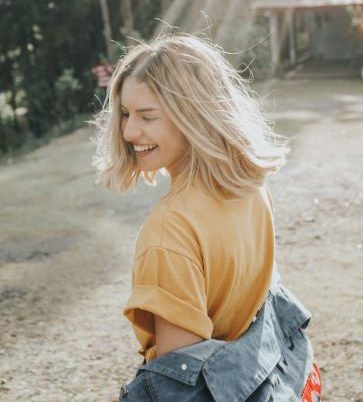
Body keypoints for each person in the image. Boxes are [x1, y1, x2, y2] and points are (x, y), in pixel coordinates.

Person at [91, 33, 321, 401]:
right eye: (124, 113)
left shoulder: (170, 230)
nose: (130, 131)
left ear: (192, 115)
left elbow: (183, 386)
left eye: (147, 116)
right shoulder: (250, 186)